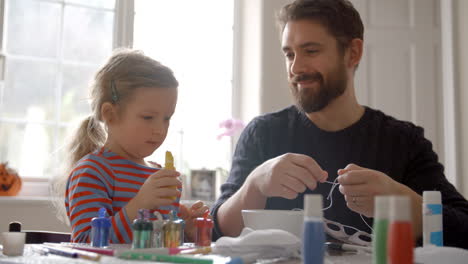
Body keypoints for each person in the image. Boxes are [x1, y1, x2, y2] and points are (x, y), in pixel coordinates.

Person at [212, 0, 468, 248]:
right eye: (289, 54)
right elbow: (216, 233)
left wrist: (399, 200)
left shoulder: (404, 142)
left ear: (353, 53)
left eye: (311, 51)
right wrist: (255, 183)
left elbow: (464, 229)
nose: (296, 67)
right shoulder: (262, 135)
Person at [57, 49, 210, 243]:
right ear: (109, 114)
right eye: (148, 117)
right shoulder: (92, 173)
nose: (159, 130)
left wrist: (188, 231)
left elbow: (162, 247)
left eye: (166, 118)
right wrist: (139, 205)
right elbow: (86, 244)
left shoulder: (162, 179)